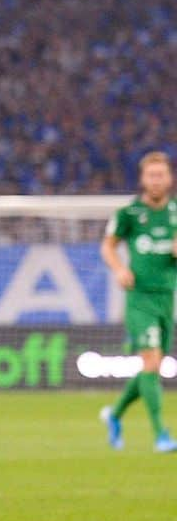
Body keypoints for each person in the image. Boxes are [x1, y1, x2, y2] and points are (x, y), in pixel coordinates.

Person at [99, 151, 177, 454]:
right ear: (143, 180)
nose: (156, 180)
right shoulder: (129, 214)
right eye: (151, 175)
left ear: (169, 178)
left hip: (166, 299)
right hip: (139, 299)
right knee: (151, 362)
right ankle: (161, 434)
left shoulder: (175, 213)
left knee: (151, 367)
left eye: (161, 175)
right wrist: (119, 269)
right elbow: (108, 246)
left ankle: (115, 415)